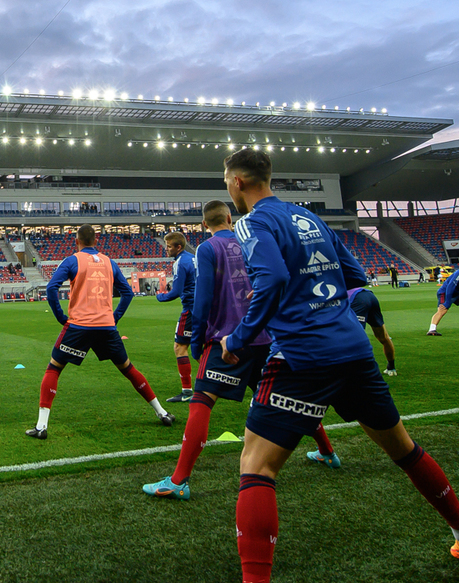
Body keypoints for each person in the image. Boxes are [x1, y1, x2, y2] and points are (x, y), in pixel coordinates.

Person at [196, 149, 459, 583]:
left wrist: (240, 337)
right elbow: (355, 278)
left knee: (256, 467)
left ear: (238, 182)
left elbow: (272, 279)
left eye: (227, 181)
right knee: (404, 450)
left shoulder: (251, 223)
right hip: (353, 350)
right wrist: (329, 311)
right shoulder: (310, 217)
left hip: (301, 357)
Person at [142, 201, 337, 498]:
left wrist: (197, 339)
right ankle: (327, 451)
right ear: (229, 218)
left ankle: (178, 481)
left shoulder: (206, 249)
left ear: (204, 225)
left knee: (201, 403)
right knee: (290, 400)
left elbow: (203, 298)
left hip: (225, 339)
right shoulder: (252, 241)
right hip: (263, 336)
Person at [26, 225, 174, 439]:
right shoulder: (109, 262)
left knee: (54, 369)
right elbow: (127, 293)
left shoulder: (72, 261)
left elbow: (51, 288)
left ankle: (42, 427)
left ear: (76, 242)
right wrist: (115, 317)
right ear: (96, 241)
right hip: (106, 327)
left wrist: (61, 317)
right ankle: (162, 412)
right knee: (128, 369)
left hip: (79, 326)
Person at [155, 231, 197, 403]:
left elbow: (176, 292)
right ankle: (215, 384)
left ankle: (187, 391)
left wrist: (160, 296)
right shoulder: (194, 258)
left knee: (180, 347)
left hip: (191, 309)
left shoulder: (180, 262)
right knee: (204, 348)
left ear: (178, 247)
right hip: (206, 307)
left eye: (169, 246)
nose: (166, 249)